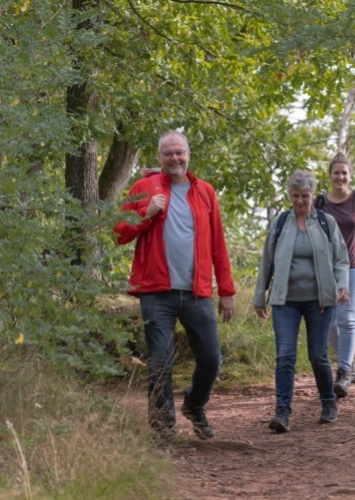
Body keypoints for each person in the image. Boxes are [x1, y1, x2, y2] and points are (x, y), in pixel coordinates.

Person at [114, 130, 236, 445]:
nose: (174, 158)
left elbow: (218, 245)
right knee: (160, 360)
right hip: (156, 292)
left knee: (211, 358)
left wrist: (227, 290)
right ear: (160, 158)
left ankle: (194, 405)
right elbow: (119, 232)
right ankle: (163, 428)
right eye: (168, 153)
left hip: (196, 293)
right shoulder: (143, 188)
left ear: (188, 154)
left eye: (179, 152)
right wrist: (147, 213)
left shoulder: (205, 192)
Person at [254, 170, 350, 433]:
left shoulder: (326, 222)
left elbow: (341, 259)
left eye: (305, 196)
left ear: (313, 195)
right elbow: (267, 261)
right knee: (285, 355)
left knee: (317, 355)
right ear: (289, 196)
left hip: (320, 300)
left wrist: (342, 285)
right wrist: (260, 295)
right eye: (295, 196)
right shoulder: (281, 222)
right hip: (285, 301)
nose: (300, 201)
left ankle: (329, 403)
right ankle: (282, 412)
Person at [315, 153, 355, 398]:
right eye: (336, 172)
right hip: (328, 270)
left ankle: (342, 372)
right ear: (330, 175)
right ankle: (350, 362)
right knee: (331, 322)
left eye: (344, 173)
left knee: (349, 319)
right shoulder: (319, 204)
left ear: (350, 175)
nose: (340, 177)